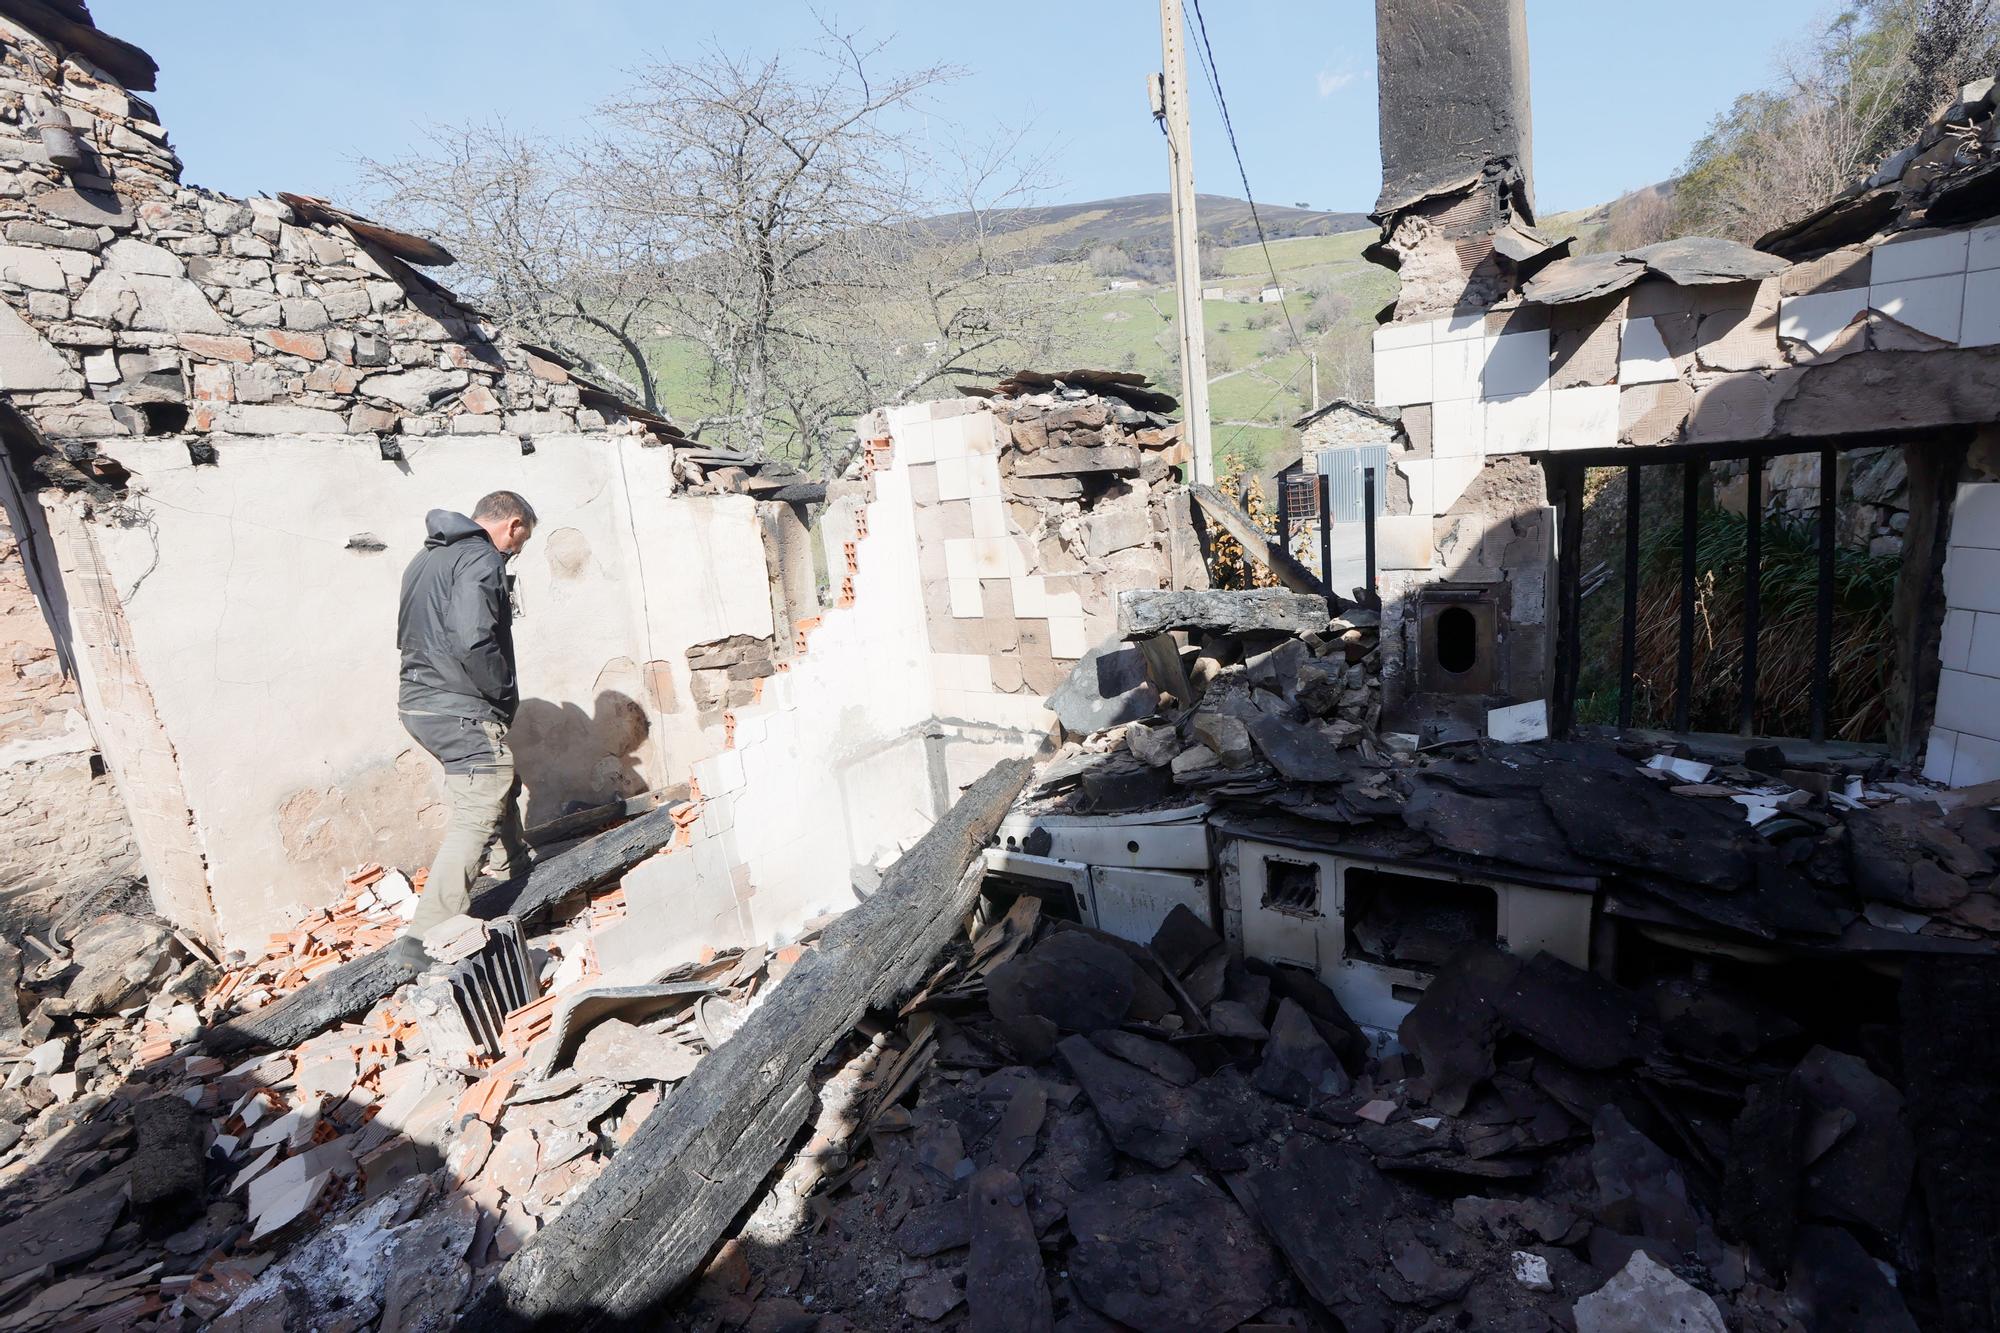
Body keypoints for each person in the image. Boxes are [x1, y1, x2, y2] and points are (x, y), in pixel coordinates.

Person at [395, 490, 537, 950]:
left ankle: (516, 867)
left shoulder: (427, 558)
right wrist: (499, 694)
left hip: (418, 700)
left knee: (496, 777)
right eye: (521, 542)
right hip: (458, 701)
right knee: (479, 805)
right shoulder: (481, 557)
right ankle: (426, 938)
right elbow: (475, 639)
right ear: (512, 525)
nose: (515, 552)